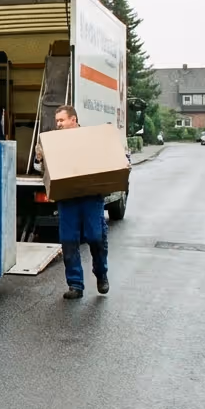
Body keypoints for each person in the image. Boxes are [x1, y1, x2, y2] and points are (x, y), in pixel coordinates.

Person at [41, 104, 123, 300]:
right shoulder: (52, 142)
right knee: (69, 241)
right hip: (67, 198)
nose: (58, 124)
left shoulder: (90, 138)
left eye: (62, 120)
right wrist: (40, 157)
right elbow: (42, 166)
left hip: (90, 197)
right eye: (57, 121)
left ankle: (101, 274)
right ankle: (75, 284)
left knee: (95, 237)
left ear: (73, 120)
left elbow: (108, 157)